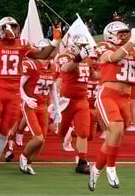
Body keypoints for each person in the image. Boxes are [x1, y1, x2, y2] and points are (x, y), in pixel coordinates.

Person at [0, 16, 61, 185]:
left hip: (14, 93)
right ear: (1, 29)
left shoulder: (22, 44)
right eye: (11, 27)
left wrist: (56, 38)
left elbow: (42, 54)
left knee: (4, 132)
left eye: (16, 27)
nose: (14, 30)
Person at [88, 22, 135, 191]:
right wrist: (132, 42)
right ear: (110, 34)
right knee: (115, 129)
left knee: (115, 138)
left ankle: (96, 168)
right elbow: (113, 57)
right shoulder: (104, 45)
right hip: (108, 94)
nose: (125, 37)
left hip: (125, 98)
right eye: (120, 34)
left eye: (126, 34)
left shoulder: (131, 49)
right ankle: (111, 168)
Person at [56, 33, 99, 174]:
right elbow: (66, 68)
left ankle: (82, 162)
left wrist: (110, 65)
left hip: (82, 101)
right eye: (81, 46)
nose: (84, 48)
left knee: (83, 132)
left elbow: (95, 75)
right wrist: (79, 57)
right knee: (60, 131)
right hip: (66, 101)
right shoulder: (65, 56)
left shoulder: (87, 60)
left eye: (85, 46)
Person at [19, 39, 62, 175]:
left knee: (42, 141)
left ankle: (28, 163)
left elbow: (53, 89)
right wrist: (25, 98)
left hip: (43, 105)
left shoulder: (54, 67)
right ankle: (23, 157)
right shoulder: (31, 64)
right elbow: (19, 85)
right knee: (37, 138)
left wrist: (57, 108)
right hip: (31, 105)